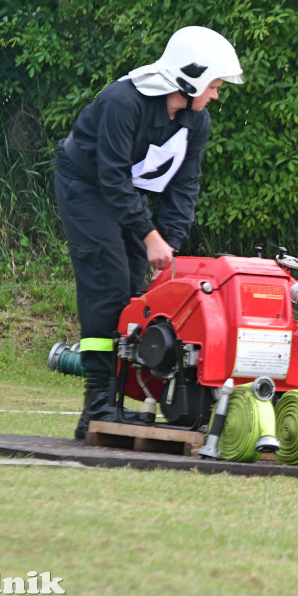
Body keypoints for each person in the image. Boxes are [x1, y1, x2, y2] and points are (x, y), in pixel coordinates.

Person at [54, 26, 245, 440]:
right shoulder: (122, 103)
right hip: (86, 186)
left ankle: (113, 404)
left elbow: (184, 185)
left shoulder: (198, 121)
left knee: (134, 296)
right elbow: (111, 177)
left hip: (125, 193)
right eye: (213, 85)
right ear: (190, 78)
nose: (215, 94)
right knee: (106, 286)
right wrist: (148, 234)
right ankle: (96, 406)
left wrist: (170, 243)